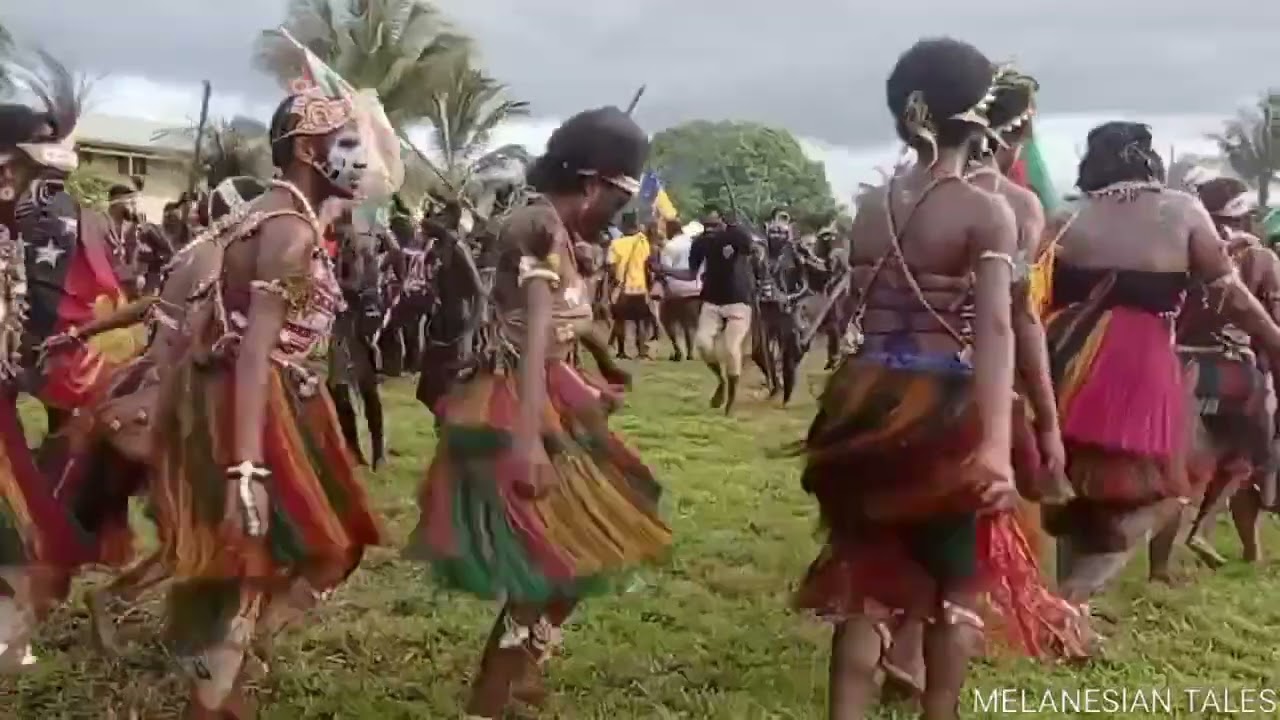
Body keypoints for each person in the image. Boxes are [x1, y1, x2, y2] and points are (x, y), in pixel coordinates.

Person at [404, 106, 671, 720]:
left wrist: (599, 369)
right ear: (595, 183)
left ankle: (520, 669)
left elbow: (559, 326)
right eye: (620, 197)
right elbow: (531, 338)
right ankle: (489, 703)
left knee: (597, 537)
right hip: (517, 404)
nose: (618, 212)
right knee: (548, 564)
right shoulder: (536, 226)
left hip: (549, 394)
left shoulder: (554, 228)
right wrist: (528, 439)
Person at [149, 78, 397, 716]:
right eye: (348, 144)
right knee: (321, 552)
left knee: (262, 563)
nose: (361, 160)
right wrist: (248, 468)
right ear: (309, 151)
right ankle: (218, 682)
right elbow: (256, 348)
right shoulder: (289, 231)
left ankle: (224, 679)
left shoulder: (263, 212)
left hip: (253, 397)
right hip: (263, 405)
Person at [791, 38, 1020, 720]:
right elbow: (997, 330)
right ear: (980, 122)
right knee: (955, 586)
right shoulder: (987, 210)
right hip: (941, 409)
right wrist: (998, 448)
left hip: (861, 403)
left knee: (862, 579)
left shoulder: (870, 205)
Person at [1043, 122, 1280, 605]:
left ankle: (1072, 608)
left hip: (1061, 358)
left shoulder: (1065, 217)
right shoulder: (1180, 209)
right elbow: (1227, 291)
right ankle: (1071, 600)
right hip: (1134, 363)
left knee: (1080, 484)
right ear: (1146, 159)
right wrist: (1273, 337)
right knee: (1163, 491)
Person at [39, 177, 268, 653]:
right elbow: (199, 339)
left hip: (147, 389)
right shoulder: (216, 257)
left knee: (193, 528)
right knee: (195, 529)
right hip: (173, 404)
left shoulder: (197, 250)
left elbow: (153, 307)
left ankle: (177, 625)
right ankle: (126, 606)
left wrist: (84, 332)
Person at [0, 52, 98, 671]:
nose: (48, 201)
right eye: (33, 179)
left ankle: (11, 624)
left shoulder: (20, 237)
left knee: (21, 516)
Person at [1168, 176, 1280, 570]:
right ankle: (1215, 535)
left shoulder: (1179, 251)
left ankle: (1162, 563)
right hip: (1236, 372)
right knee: (1246, 458)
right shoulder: (1260, 258)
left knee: (1183, 465)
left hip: (1180, 369)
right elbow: (1271, 326)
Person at [660, 206, 755, 414]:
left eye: (714, 225)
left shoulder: (735, 236)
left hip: (739, 301)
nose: (710, 229)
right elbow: (690, 274)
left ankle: (731, 399)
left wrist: (739, 229)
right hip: (711, 301)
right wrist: (664, 269)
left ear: (722, 222)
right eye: (707, 225)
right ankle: (721, 380)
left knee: (731, 348)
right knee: (702, 345)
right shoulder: (700, 243)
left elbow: (752, 247)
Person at [607, 211, 653, 358]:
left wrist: (612, 286)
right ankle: (641, 352)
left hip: (622, 288)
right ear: (636, 224)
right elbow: (647, 265)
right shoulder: (643, 242)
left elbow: (611, 268)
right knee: (640, 321)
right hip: (639, 287)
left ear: (622, 226)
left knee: (620, 320)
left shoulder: (616, 244)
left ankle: (621, 351)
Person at [658, 218, 702, 360]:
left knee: (667, 318)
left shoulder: (670, 246)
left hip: (675, 289)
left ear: (671, 230)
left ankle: (677, 349)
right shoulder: (693, 243)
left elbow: (665, 269)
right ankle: (690, 352)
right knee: (689, 322)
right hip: (695, 288)